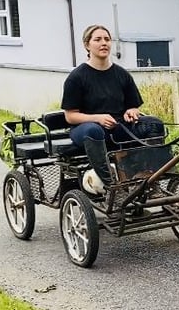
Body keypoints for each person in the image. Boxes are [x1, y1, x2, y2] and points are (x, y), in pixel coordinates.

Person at [61, 24, 165, 194]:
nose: (104, 43)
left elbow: (133, 105)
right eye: (98, 39)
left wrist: (132, 111)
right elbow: (70, 116)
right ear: (87, 45)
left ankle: (148, 178)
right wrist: (97, 118)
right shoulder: (77, 77)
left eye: (107, 39)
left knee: (155, 124)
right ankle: (112, 187)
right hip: (86, 130)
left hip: (118, 127)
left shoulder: (122, 74)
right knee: (94, 130)